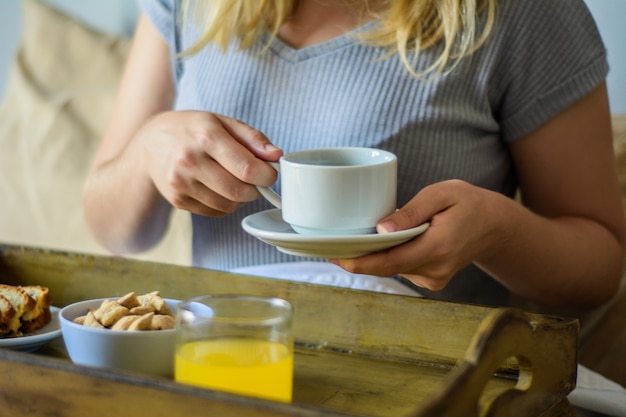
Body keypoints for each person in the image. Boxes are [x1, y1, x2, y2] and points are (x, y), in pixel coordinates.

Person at [83, 0, 625, 312]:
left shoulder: (527, 14)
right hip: (223, 359)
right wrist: (147, 149)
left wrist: (497, 233)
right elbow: (113, 231)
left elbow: (600, 271)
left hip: (420, 377)